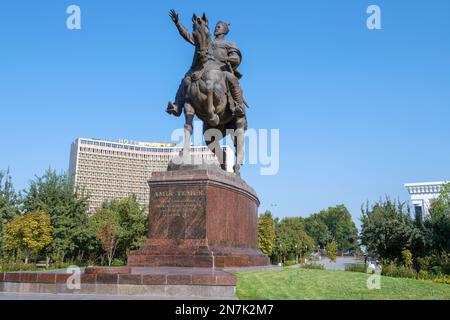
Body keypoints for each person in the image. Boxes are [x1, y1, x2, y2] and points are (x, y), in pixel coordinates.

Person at [166, 10, 245, 119]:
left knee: (231, 78)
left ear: (224, 30)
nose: (216, 28)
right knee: (186, 79)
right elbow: (188, 36)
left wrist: (227, 58)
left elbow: (236, 58)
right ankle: (177, 106)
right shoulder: (206, 40)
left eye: (219, 27)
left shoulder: (229, 44)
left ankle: (238, 106)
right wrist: (178, 24)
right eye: (216, 26)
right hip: (205, 68)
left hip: (221, 70)